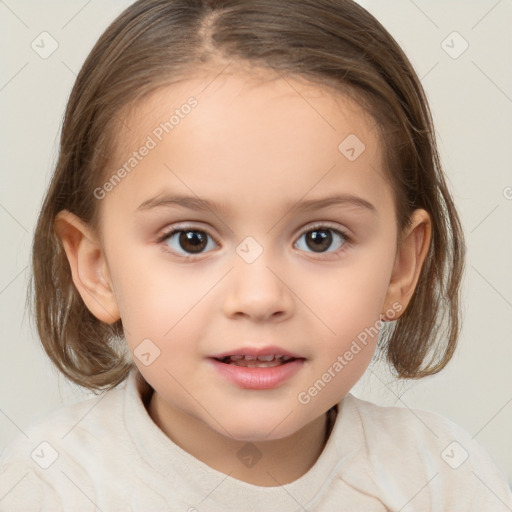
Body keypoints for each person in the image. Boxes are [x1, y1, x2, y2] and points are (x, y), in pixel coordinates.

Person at [1, 0, 511, 510]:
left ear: (401, 268)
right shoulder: (50, 487)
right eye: (191, 239)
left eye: (320, 238)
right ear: (98, 270)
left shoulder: (443, 479)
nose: (260, 297)